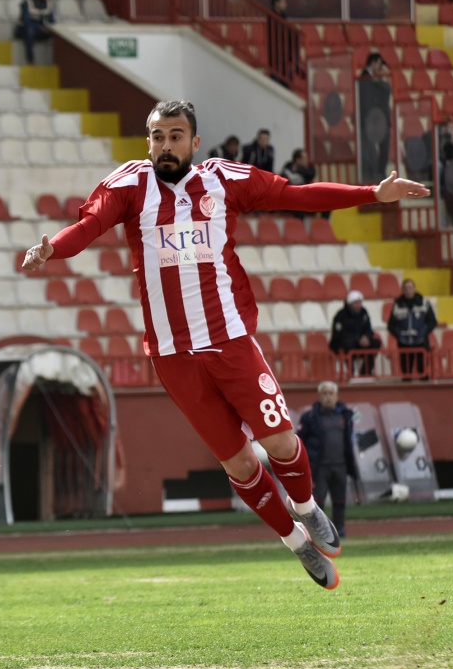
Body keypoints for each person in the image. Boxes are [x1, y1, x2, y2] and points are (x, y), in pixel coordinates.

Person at [21, 100, 431, 589]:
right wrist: (55, 248)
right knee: (237, 461)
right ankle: (296, 543)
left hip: (230, 341)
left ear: (194, 142)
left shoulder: (223, 178)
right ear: (147, 141)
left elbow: (295, 196)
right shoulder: (128, 184)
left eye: (175, 136)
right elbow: (88, 226)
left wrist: (371, 193)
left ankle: (306, 507)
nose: (165, 145)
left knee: (279, 440)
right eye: (157, 137)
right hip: (174, 357)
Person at [295, 382, 360, 539]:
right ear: (319, 396)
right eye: (324, 393)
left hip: (340, 465)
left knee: (340, 500)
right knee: (318, 501)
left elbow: (348, 441)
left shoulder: (345, 415)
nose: (328, 397)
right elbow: (300, 441)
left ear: (336, 396)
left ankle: (339, 529)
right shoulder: (309, 417)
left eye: (331, 393)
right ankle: (319, 531)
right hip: (319, 467)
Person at [387, 278, 436, 379]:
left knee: (423, 373)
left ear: (414, 289)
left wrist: (423, 332)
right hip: (404, 344)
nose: (408, 290)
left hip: (421, 342)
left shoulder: (424, 303)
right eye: (405, 288)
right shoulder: (397, 305)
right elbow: (390, 325)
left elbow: (432, 321)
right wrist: (399, 335)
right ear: (402, 290)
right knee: (406, 374)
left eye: (410, 288)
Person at [329, 290, 382, 376]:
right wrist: (357, 340)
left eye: (359, 303)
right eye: (355, 303)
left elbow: (368, 329)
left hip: (360, 342)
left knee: (376, 343)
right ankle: (351, 373)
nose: (358, 305)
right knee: (347, 344)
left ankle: (366, 372)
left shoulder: (364, 313)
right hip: (344, 343)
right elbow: (339, 334)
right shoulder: (341, 315)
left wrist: (367, 338)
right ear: (350, 304)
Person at [18, 0, 56, 65]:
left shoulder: (48, 3)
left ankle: (56, 62)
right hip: (24, 29)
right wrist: (40, 27)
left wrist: (49, 28)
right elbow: (26, 21)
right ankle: (30, 60)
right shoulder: (27, 2)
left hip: (41, 29)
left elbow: (52, 21)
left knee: (57, 35)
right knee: (29, 31)